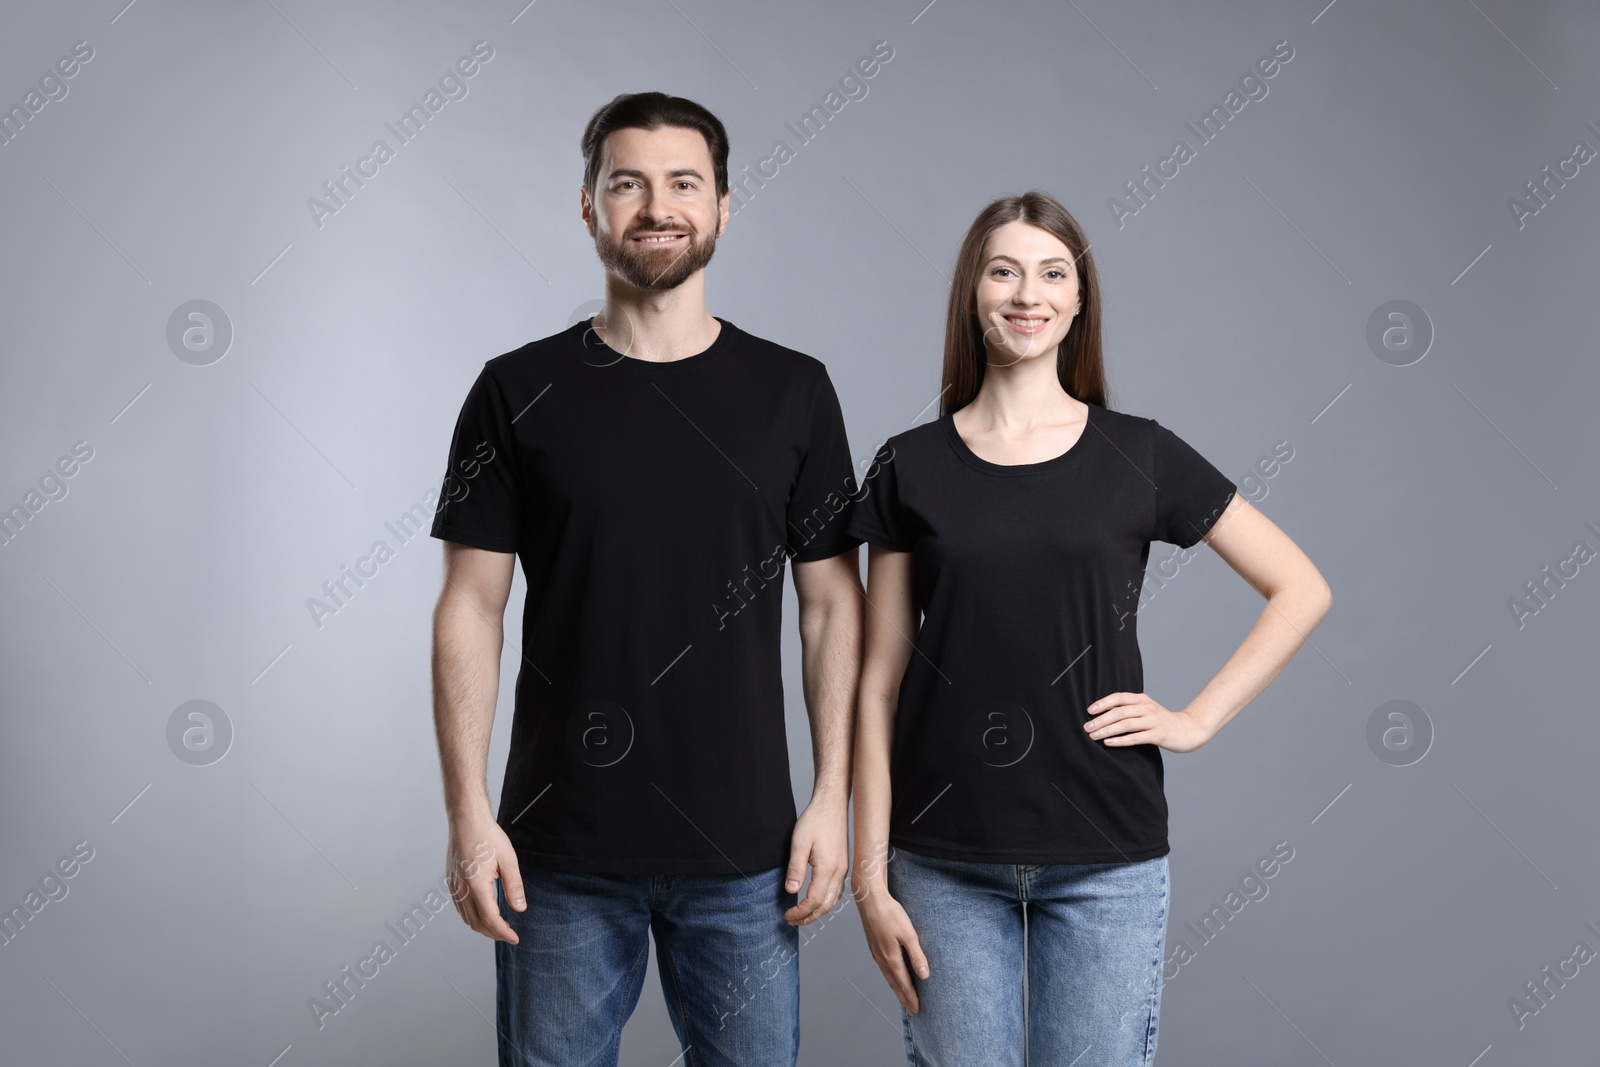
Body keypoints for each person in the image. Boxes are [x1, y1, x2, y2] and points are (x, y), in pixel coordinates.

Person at [427, 91, 864, 1067]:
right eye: (627, 183)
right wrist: (467, 815)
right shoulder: (515, 389)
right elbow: (470, 605)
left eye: (682, 183)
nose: (656, 205)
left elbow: (833, 607)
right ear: (588, 205)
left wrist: (831, 796)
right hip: (558, 853)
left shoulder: (793, 390)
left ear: (720, 204)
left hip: (748, 856)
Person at [847, 190, 1332, 1066]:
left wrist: (1195, 720)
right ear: (973, 293)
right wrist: (869, 876)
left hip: (1105, 857)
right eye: (1004, 270)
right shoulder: (909, 465)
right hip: (943, 859)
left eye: (1052, 273)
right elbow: (876, 682)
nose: (1027, 293)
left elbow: (1299, 586)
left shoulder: (1138, 453)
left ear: (1077, 302)